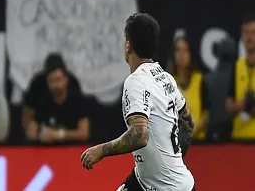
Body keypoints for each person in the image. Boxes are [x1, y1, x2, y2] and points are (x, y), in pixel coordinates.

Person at [80, 13, 196, 191]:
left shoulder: (135, 82)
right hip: (151, 181)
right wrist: (176, 159)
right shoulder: (165, 78)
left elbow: (140, 135)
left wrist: (101, 150)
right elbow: (188, 122)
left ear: (128, 45)